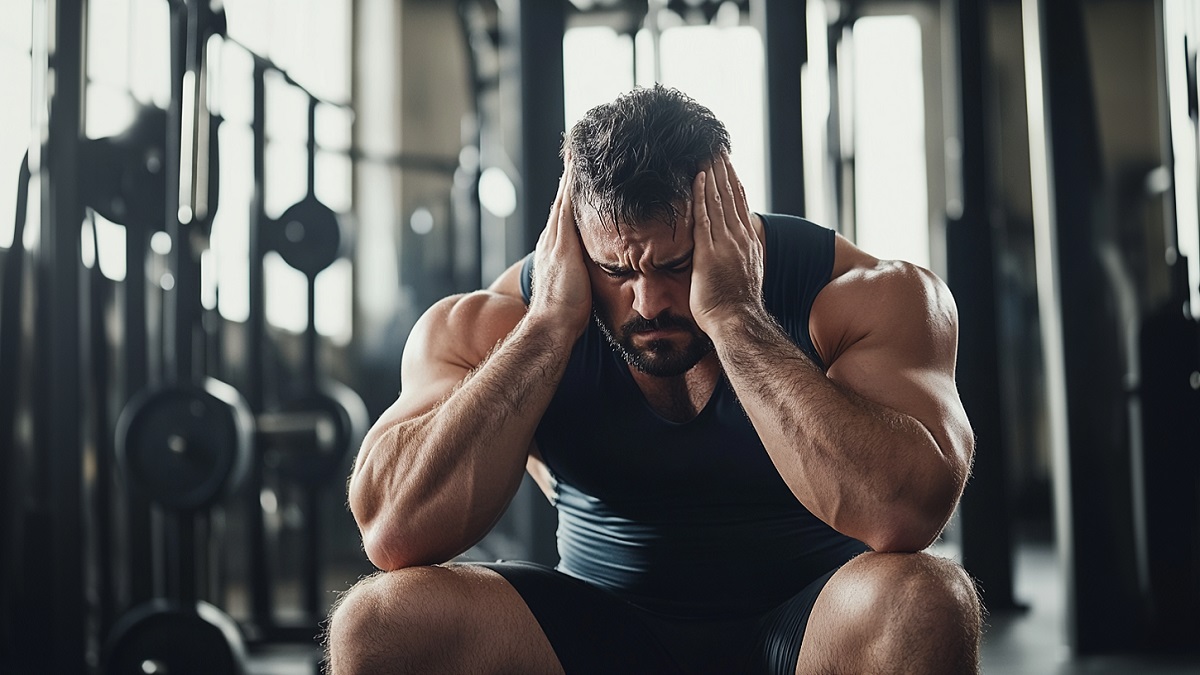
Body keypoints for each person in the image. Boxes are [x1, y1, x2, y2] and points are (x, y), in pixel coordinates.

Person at [326, 84, 981, 674]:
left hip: (811, 630)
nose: (651, 302)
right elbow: (392, 528)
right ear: (576, 240)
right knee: (376, 623)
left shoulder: (858, 296)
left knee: (929, 601)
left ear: (732, 221)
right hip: (600, 630)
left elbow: (908, 510)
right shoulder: (500, 322)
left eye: (678, 264)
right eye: (618, 271)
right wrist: (548, 330)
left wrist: (736, 319)